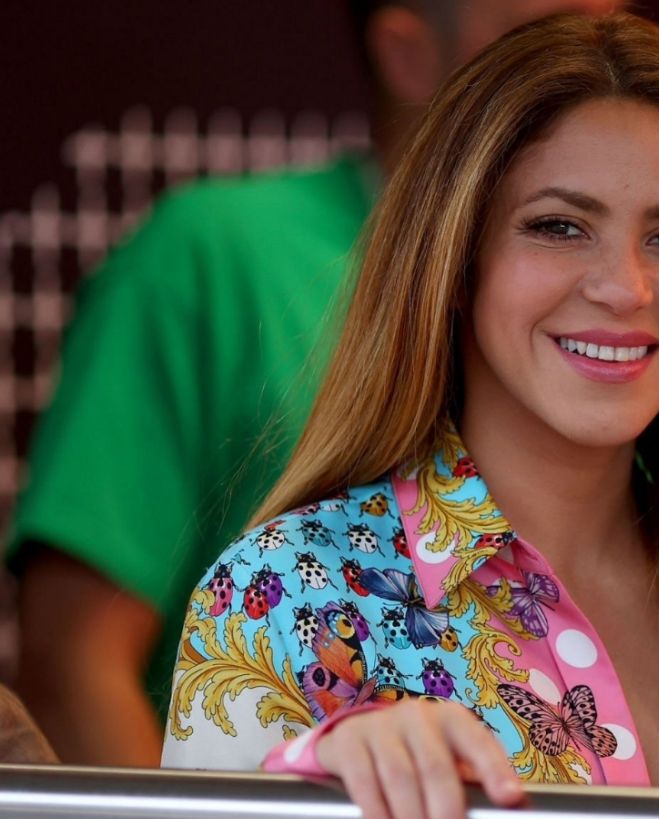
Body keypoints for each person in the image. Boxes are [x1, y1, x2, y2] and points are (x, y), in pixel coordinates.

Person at [163, 11, 659, 816]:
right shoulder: (281, 591)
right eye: (559, 226)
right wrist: (319, 782)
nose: (624, 288)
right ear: (456, 260)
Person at [8, 0, 616, 767]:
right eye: (536, 39)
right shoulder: (217, 255)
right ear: (406, 52)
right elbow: (75, 661)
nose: (591, 70)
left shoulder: (627, 311)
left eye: (613, 29)